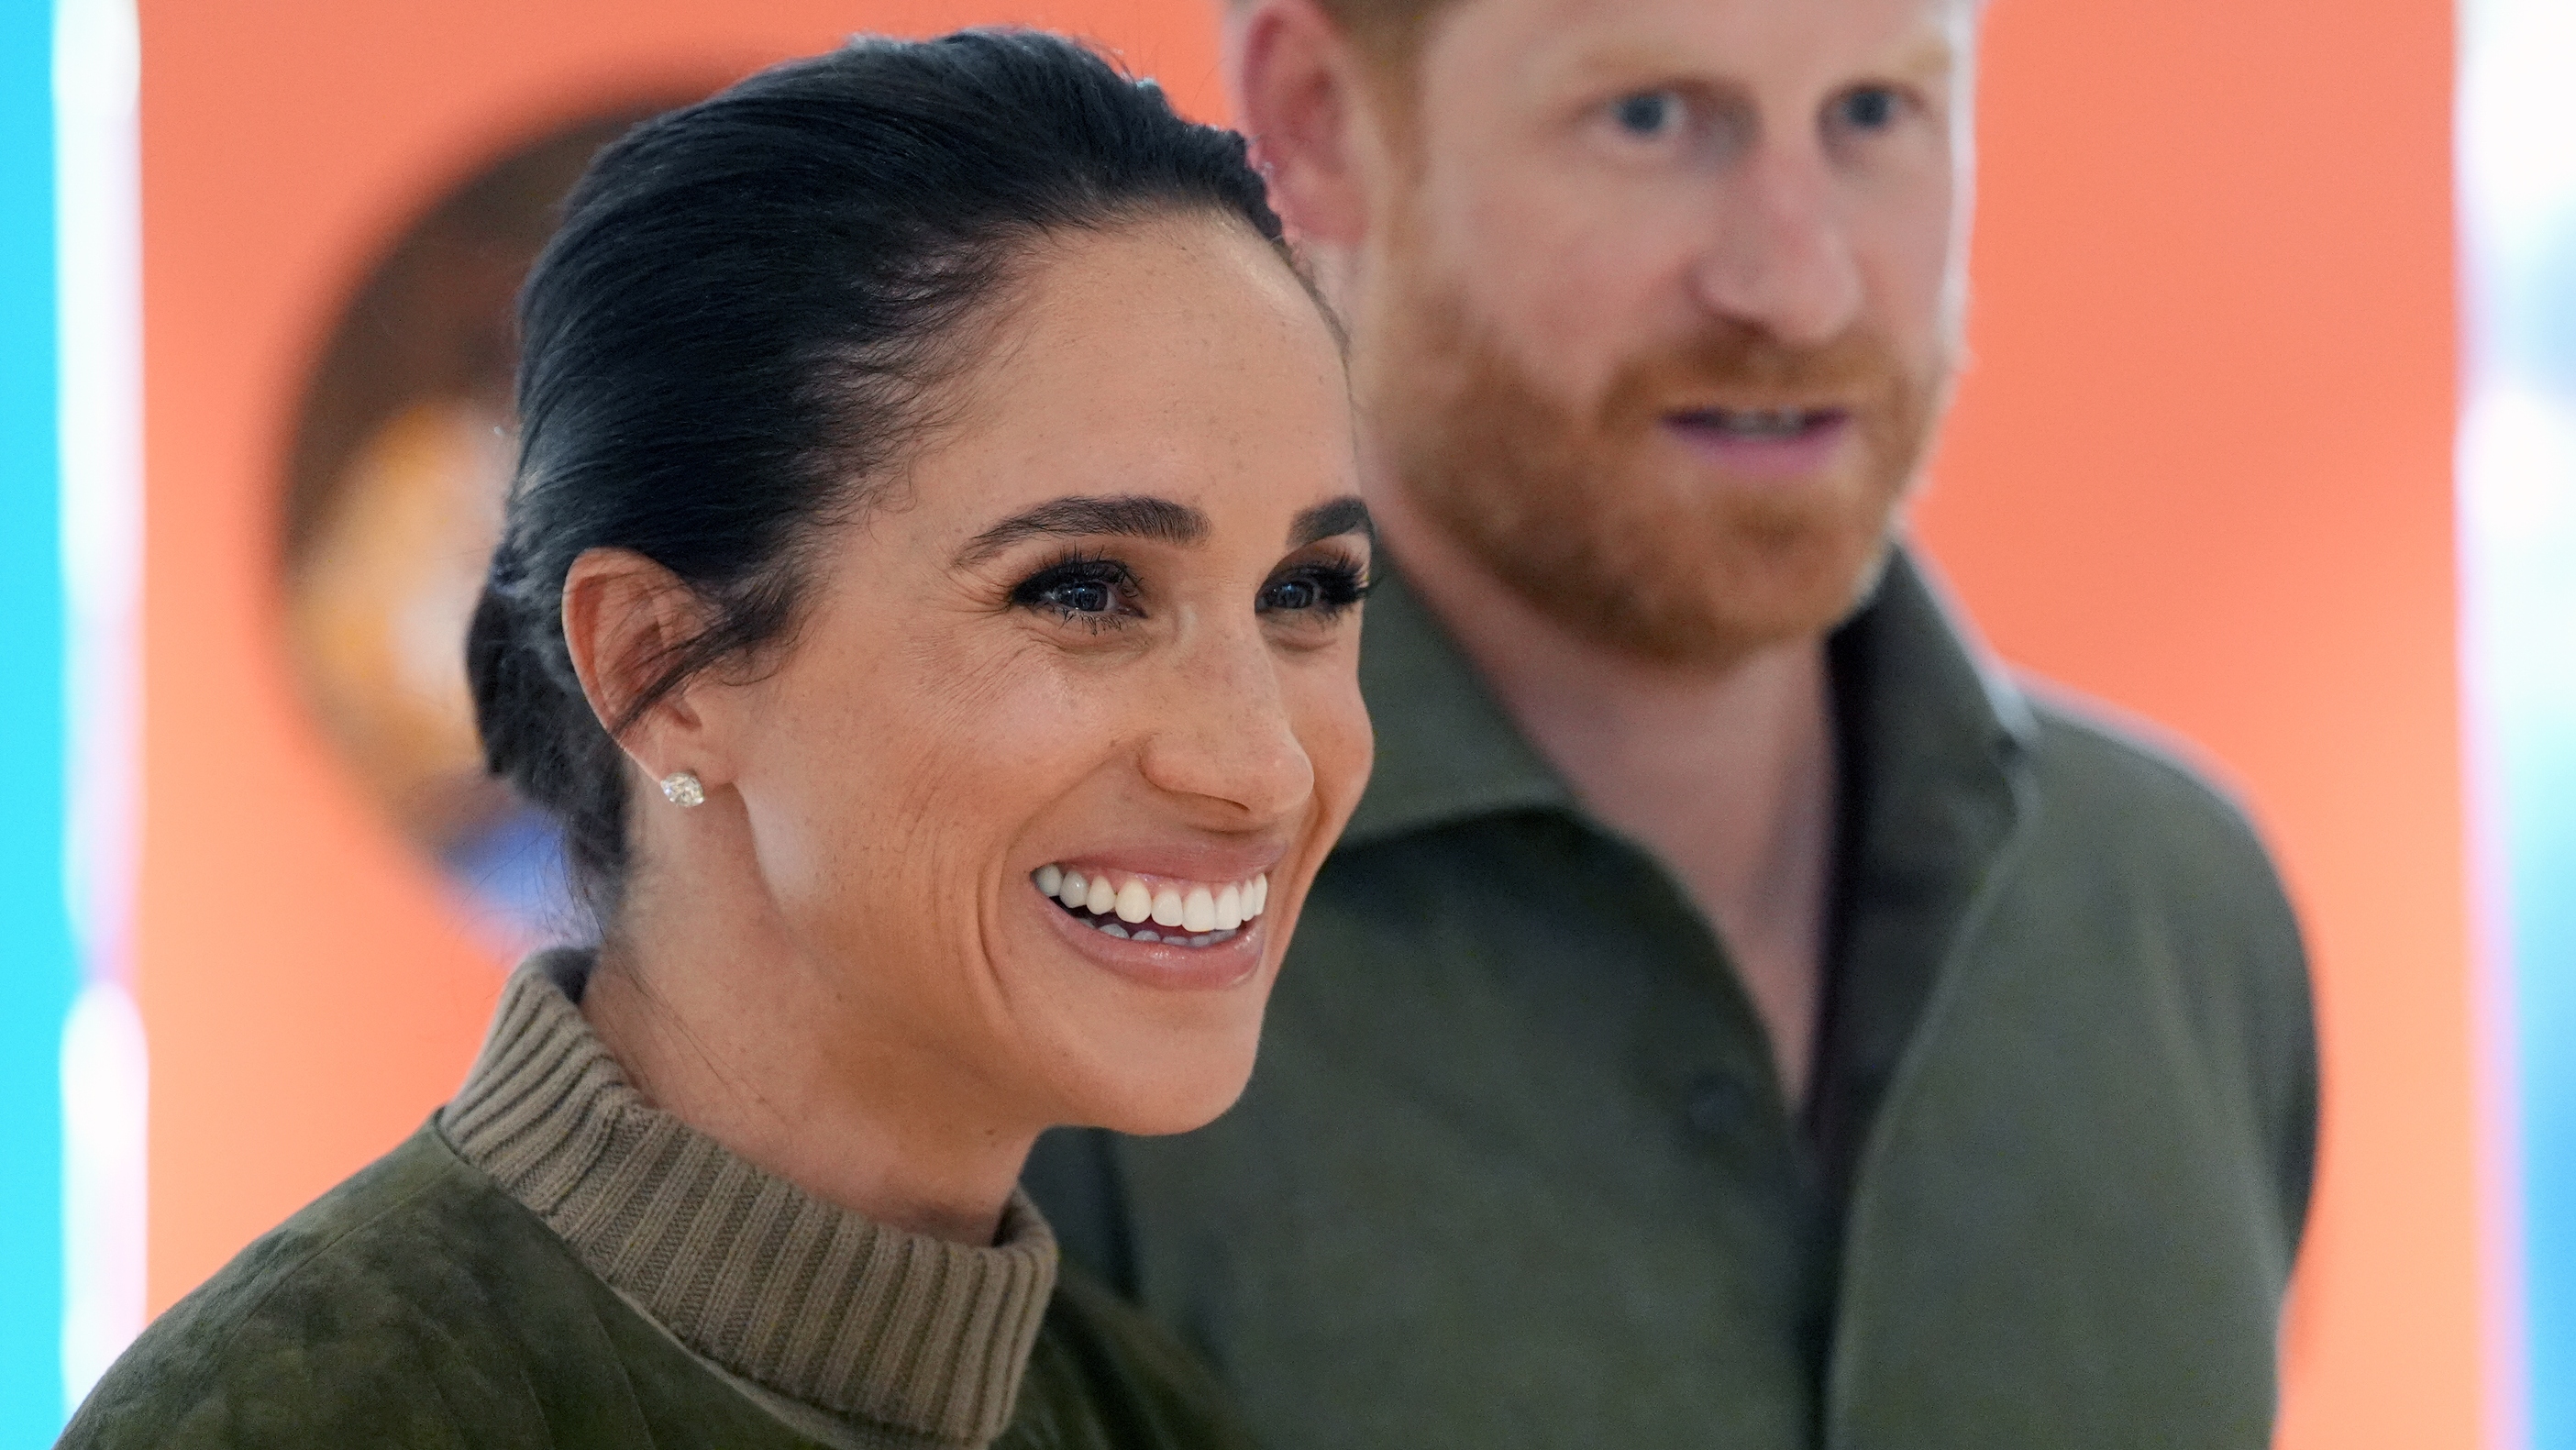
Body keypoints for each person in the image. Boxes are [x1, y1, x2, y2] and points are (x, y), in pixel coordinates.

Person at [1024, 0, 2319, 1444]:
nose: (1798, 286)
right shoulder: (1053, 953)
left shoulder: (2177, 914)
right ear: (1323, 118)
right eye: (1648, 118)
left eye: (1873, 114)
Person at [65, 31, 1372, 1450]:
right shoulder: (305, 1419)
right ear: (658, 666)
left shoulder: (1155, 1415)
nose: (1262, 765)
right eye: (1078, 590)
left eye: (1307, 594)